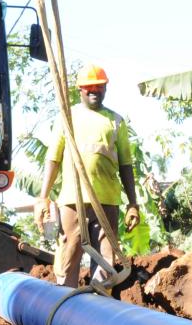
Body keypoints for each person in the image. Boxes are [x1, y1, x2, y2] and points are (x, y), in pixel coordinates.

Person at [34, 64, 140, 288]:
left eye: (99, 86)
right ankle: (65, 302)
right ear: (80, 90)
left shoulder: (116, 121)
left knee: (105, 258)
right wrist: (43, 197)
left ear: (105, 89)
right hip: (72, 201)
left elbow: (126, 165)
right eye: (89, 87)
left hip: (107, 201)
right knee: (69, 253)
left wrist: (133, 203)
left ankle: (99, 306)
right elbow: (53, 158)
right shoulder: (67, 118)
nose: (94, 90)